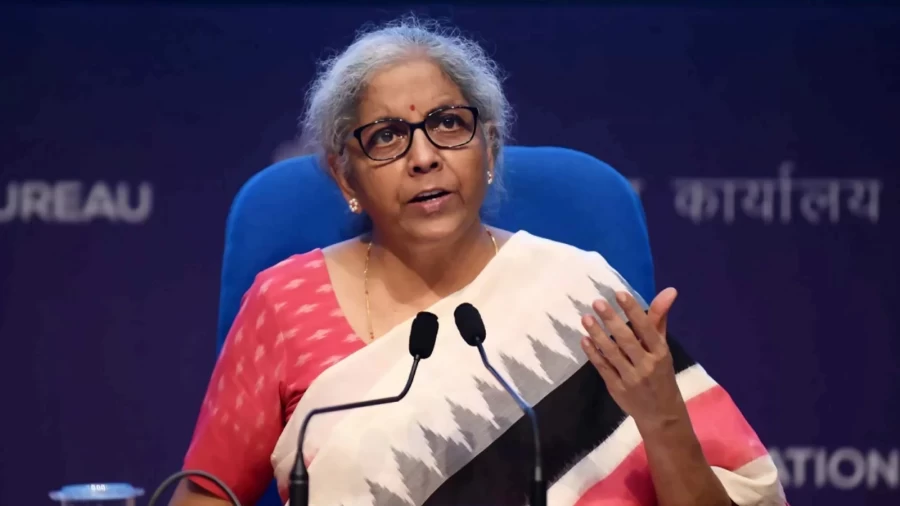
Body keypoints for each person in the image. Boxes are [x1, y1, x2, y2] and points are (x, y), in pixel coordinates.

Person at [170, 16, 786, 506]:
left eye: (447, 123)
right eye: (386, 136)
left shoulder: (579, 294)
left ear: (488, 146)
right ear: (345, 174)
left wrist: (662, 418)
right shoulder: (283, 305)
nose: (423, 157)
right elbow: (207, 494)